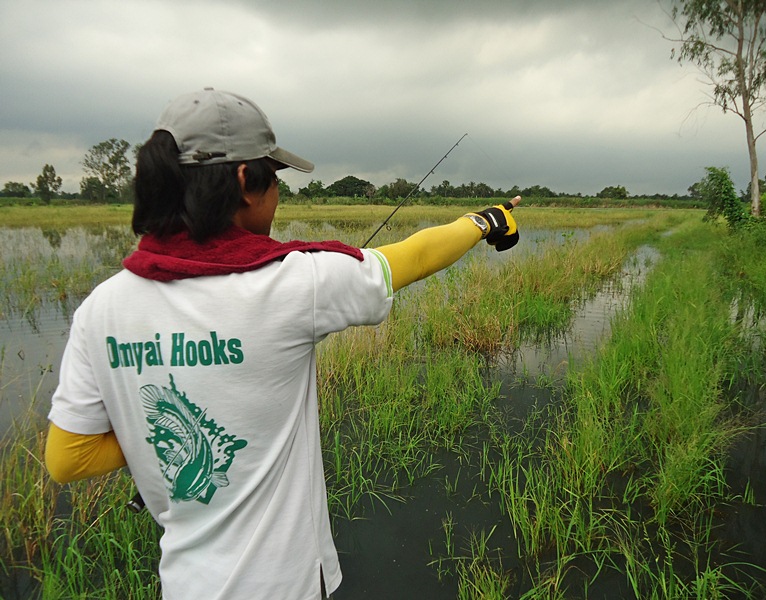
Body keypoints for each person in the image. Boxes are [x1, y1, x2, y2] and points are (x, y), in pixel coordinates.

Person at [44, 87, 520, 600]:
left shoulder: (102, 308)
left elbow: (68, 458)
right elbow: (413, 257)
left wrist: (162, 442)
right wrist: (485, 220)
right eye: (277, 182)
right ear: (247, 181)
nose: (279, 198)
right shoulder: (292, 283)